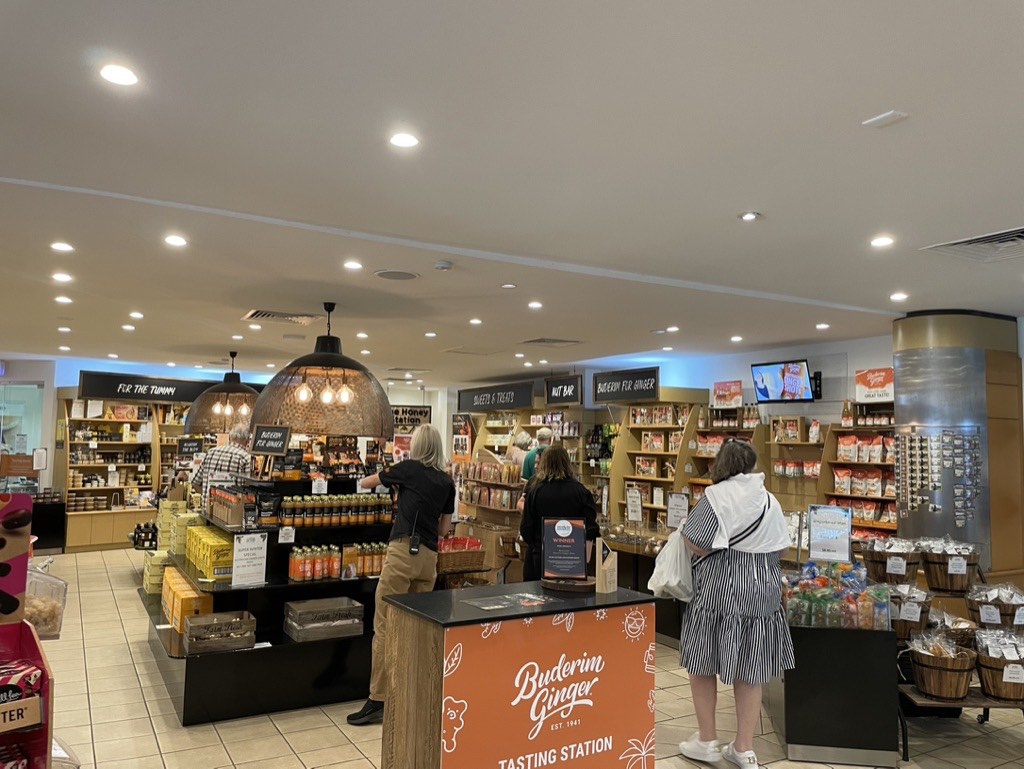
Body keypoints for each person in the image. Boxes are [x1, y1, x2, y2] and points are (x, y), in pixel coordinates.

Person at [677, 439, 793, 767]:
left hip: (720, 591)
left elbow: (696, 543)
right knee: (751, 667)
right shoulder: (769, 500)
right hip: (763, 592)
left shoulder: (715, 497)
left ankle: (707, 740)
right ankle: (744, 747)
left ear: (721, 464)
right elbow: (781, 549)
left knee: (702, 662)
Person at [347, 424, 455, 726]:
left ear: (417, 447)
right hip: (429, 559)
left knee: (385, 625)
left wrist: (392, 483)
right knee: (417, 629)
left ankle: (378, 698)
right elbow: (444, 529)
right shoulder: (447, 482)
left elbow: (368, 483)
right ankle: (411, 692)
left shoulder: (409, 469)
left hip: (403, 552)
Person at [519, 445, 599, 581]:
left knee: (541, 598)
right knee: (571, 600)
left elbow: (526, 529)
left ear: (544, 463)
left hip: (541, 557)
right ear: (567, 463)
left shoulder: (535, 491)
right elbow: (591, 529)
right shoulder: (581, 492)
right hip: (573, 560)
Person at [191, 424, 252, 512]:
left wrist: (207, 497)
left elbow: (195, 483)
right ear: (247, 441)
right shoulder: (246, 458)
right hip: (232, 516)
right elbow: (249, 492)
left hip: (207, 512)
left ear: (230, 437)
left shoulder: (211, 452)